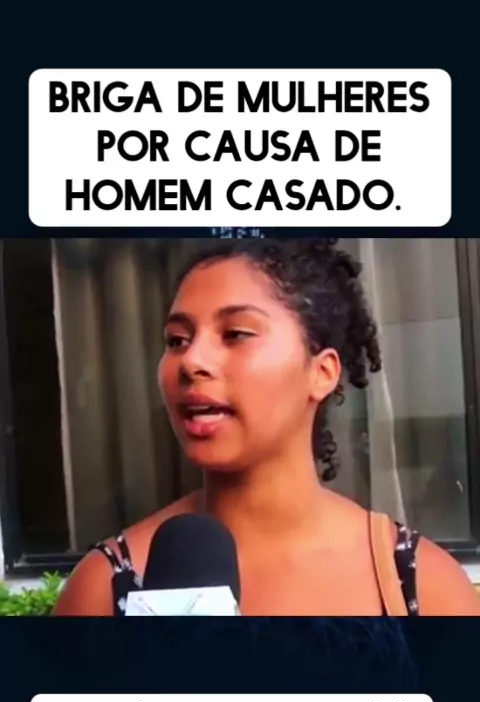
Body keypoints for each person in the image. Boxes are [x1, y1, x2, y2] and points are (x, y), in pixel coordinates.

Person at [54, 239, 480, 617]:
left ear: (322, 372)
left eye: (236, 334)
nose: (191, 361)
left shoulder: (423, 585)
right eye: (177, 340)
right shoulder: (104, 588)